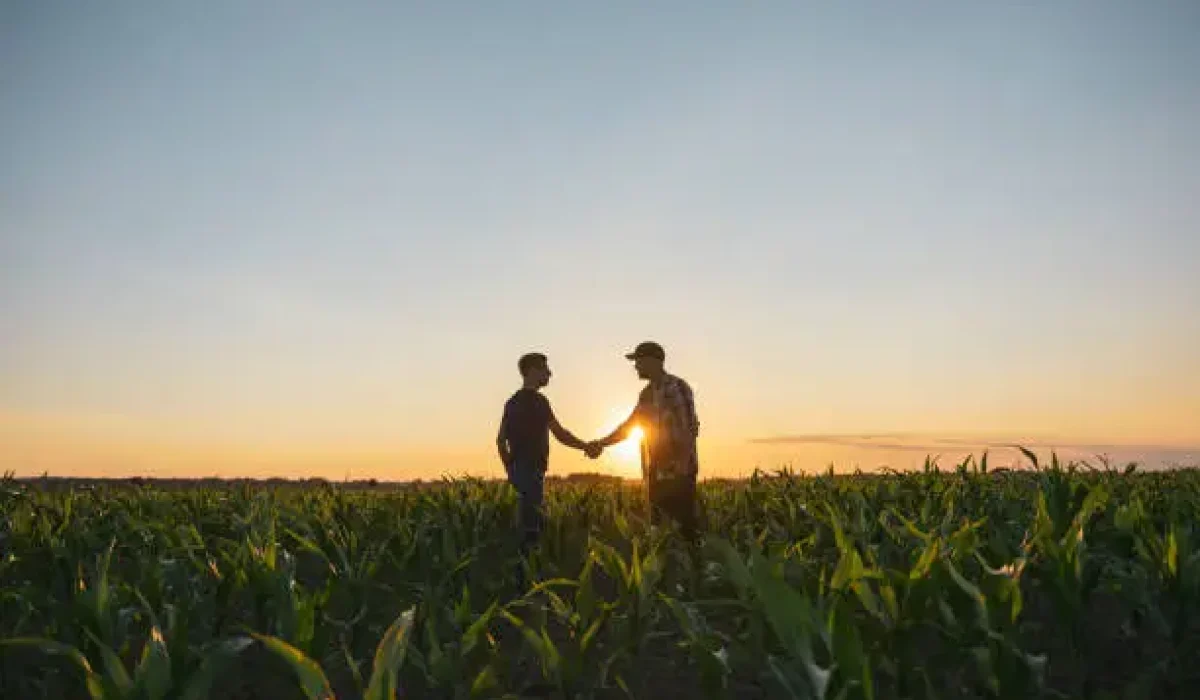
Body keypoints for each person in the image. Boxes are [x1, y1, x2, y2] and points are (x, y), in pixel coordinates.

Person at [590, 341, 700, 540]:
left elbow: (688, 428)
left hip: (679, 473)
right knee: (659, 533)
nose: (635, 367)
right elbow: (629, 427)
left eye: (638, 361)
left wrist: (683, 467)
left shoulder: (677, 387)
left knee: (685, 533)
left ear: (652, 361)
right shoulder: (646, 395)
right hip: (656, 473)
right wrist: (601, 443)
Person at [496, 352, 600, 554]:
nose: (550, 374)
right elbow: (560, 434)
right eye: (545, 369)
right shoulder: (538, 401)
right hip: (532, 472)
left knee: (522, 527)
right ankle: (531, 578)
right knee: (533, 531)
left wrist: (510, 468)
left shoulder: (512, 402)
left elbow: (500, 441)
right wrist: (586, 447)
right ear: (532, 371)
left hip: (517, 473)